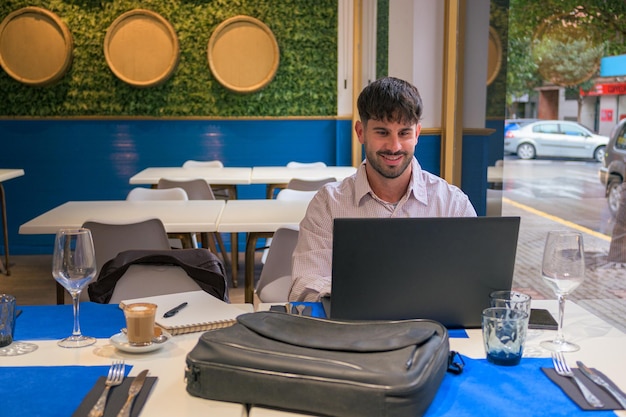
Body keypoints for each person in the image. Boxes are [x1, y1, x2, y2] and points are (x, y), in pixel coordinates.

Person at [289, 76, 477, 302]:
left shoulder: (452, 205)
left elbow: (473, 282)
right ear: (361, 132)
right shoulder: (328, 204)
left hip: (432, 331)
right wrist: (367, 296)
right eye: (382, 132)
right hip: (352, 332)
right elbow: (304, 286)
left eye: (404, 133)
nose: (394, 146)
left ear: (417, 134)